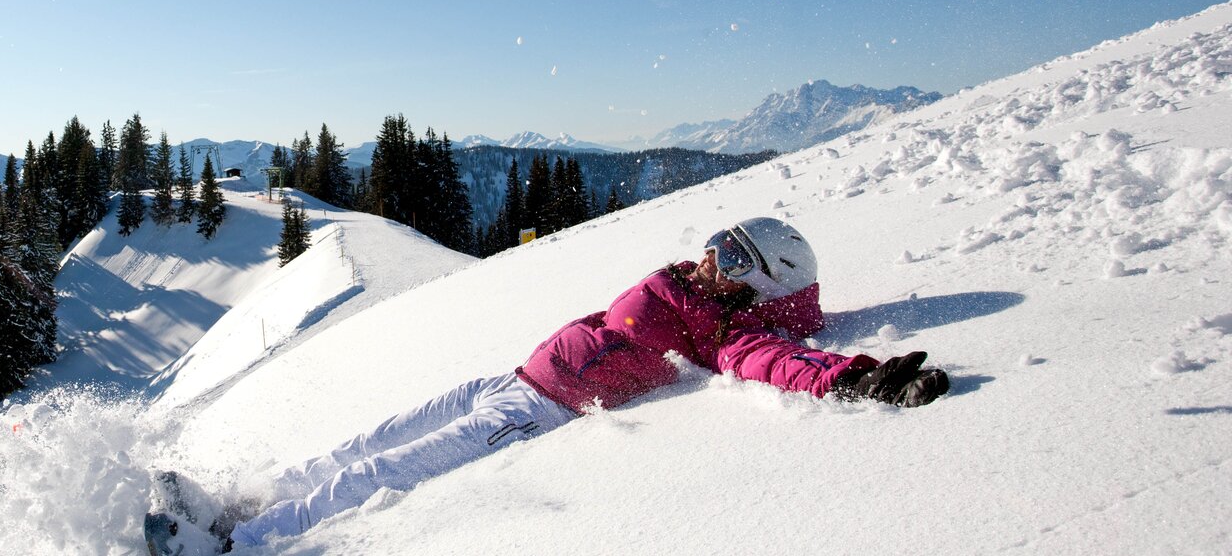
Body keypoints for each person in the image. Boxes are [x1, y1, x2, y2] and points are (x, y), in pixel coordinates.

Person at [226, 217, 950, 548]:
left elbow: (769, 360)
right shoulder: (689, 290)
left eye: (733, 260)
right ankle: (237, 507)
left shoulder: (728, 331)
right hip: (508, 378)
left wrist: (853, 378)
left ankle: (251, 543)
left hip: (540, 410)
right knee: (369, 440)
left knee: (388, 469)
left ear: (755, 288)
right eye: (721, 242)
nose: (710, 258)